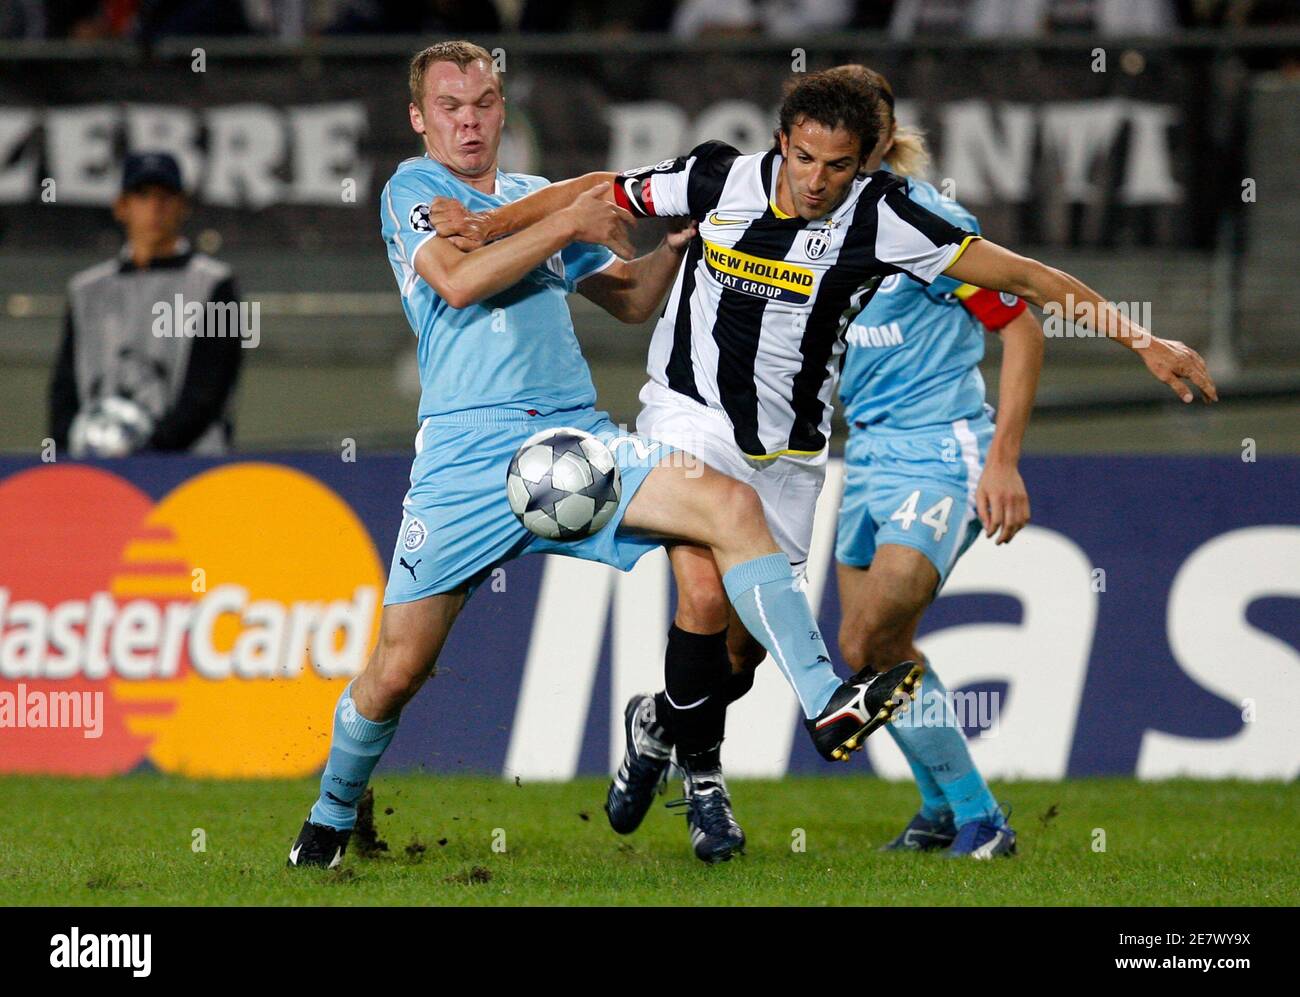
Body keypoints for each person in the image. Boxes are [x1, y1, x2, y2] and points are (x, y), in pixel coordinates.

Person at [428, 67, 1217, 863]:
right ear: (782, 141)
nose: (815, 180)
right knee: (702, 588)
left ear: (868, 160)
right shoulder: (718, 179)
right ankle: (790, 729)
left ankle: (661, 723)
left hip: (791, 458)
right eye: (803, 158)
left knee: (733, 660)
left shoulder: (892, 219)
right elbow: (602, 187)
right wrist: (489, 226)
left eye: (836, 166)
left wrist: (1142, 339)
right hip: (689, 422)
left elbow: (1025, 283)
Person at [287, 42, 918, 869]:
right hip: (465, 455)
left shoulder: (522, 198)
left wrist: (682, 248)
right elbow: (457, 282)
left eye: (482, 103)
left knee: (732, 508)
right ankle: (331, 819)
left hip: (577, 440)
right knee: (400, 669)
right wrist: (567, 217)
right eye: (449, 106)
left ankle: (824, 699)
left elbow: (627, 298)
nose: (468, 120)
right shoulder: (416, 190)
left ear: (503, 109)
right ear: (419, 119)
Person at [49, 151, 244, 458]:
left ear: (183, 206)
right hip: (96, 472)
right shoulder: (85, 290)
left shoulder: (217, 284)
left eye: (166, 196)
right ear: (121, 207)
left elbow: (210, 388)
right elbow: (65, 391)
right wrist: (70, 453)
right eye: (142, 195)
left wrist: (149, 453)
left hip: (189, 469)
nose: (155, 207)